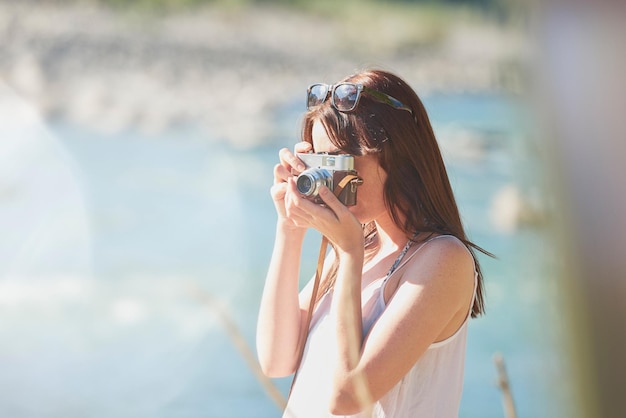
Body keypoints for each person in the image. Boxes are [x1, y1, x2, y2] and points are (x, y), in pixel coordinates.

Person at [256, 69, 489, 418]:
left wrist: (349, 253)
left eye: (340, 159)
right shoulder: (358, 248)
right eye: (320, 160)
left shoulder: (444, 260)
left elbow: (348, 398)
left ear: (397, 156)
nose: (329, 177)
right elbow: (276, 360)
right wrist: (289, 229)